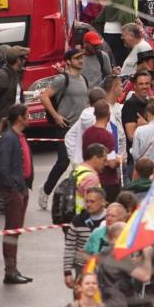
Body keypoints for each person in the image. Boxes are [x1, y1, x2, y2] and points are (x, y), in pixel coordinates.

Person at [38, 47, 92, 209]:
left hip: (81, 128)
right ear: (68, 61)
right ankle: (46, 190)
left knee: (82, 163)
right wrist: (56, 116)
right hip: (65, 127)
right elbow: (44, 96)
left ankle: (81, 196)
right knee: (63, 162)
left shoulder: (83, 78)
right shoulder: (62, 79)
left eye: (81, 58)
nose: (80, 61)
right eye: (77, 58)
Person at [0, 104, 33, 284]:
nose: (30, 118)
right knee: (12, 231)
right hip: (15, 191)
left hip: (21, 188)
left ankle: (13, 269)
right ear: (20, 118)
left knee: (15, 231)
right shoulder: (9, 139)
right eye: (28, 115)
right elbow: (3, 167)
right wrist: (14, 190)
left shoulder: (18, 137)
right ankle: (10, 270)